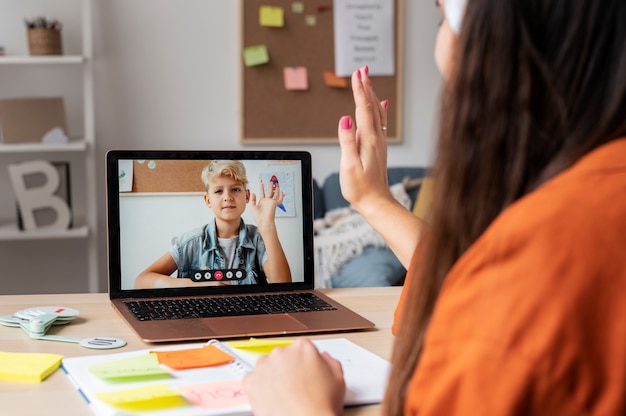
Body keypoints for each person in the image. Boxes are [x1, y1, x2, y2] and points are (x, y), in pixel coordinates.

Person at [243, 0, 626, 414]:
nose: (438, 48)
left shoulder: (540, 260)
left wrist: (300, 407)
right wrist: (373, 199)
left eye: (443, 18)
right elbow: (462, 284)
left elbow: (492, 301)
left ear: (500, 42)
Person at [135, 160, 292, 288]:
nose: (227, 197)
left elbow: (284, 286)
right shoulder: (190, 242)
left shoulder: (258, 238)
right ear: (207, 200)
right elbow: (141, 281)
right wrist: (197, 285)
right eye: (218, 191)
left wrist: (267, 225)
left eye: (236, 189)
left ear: (247, 196)